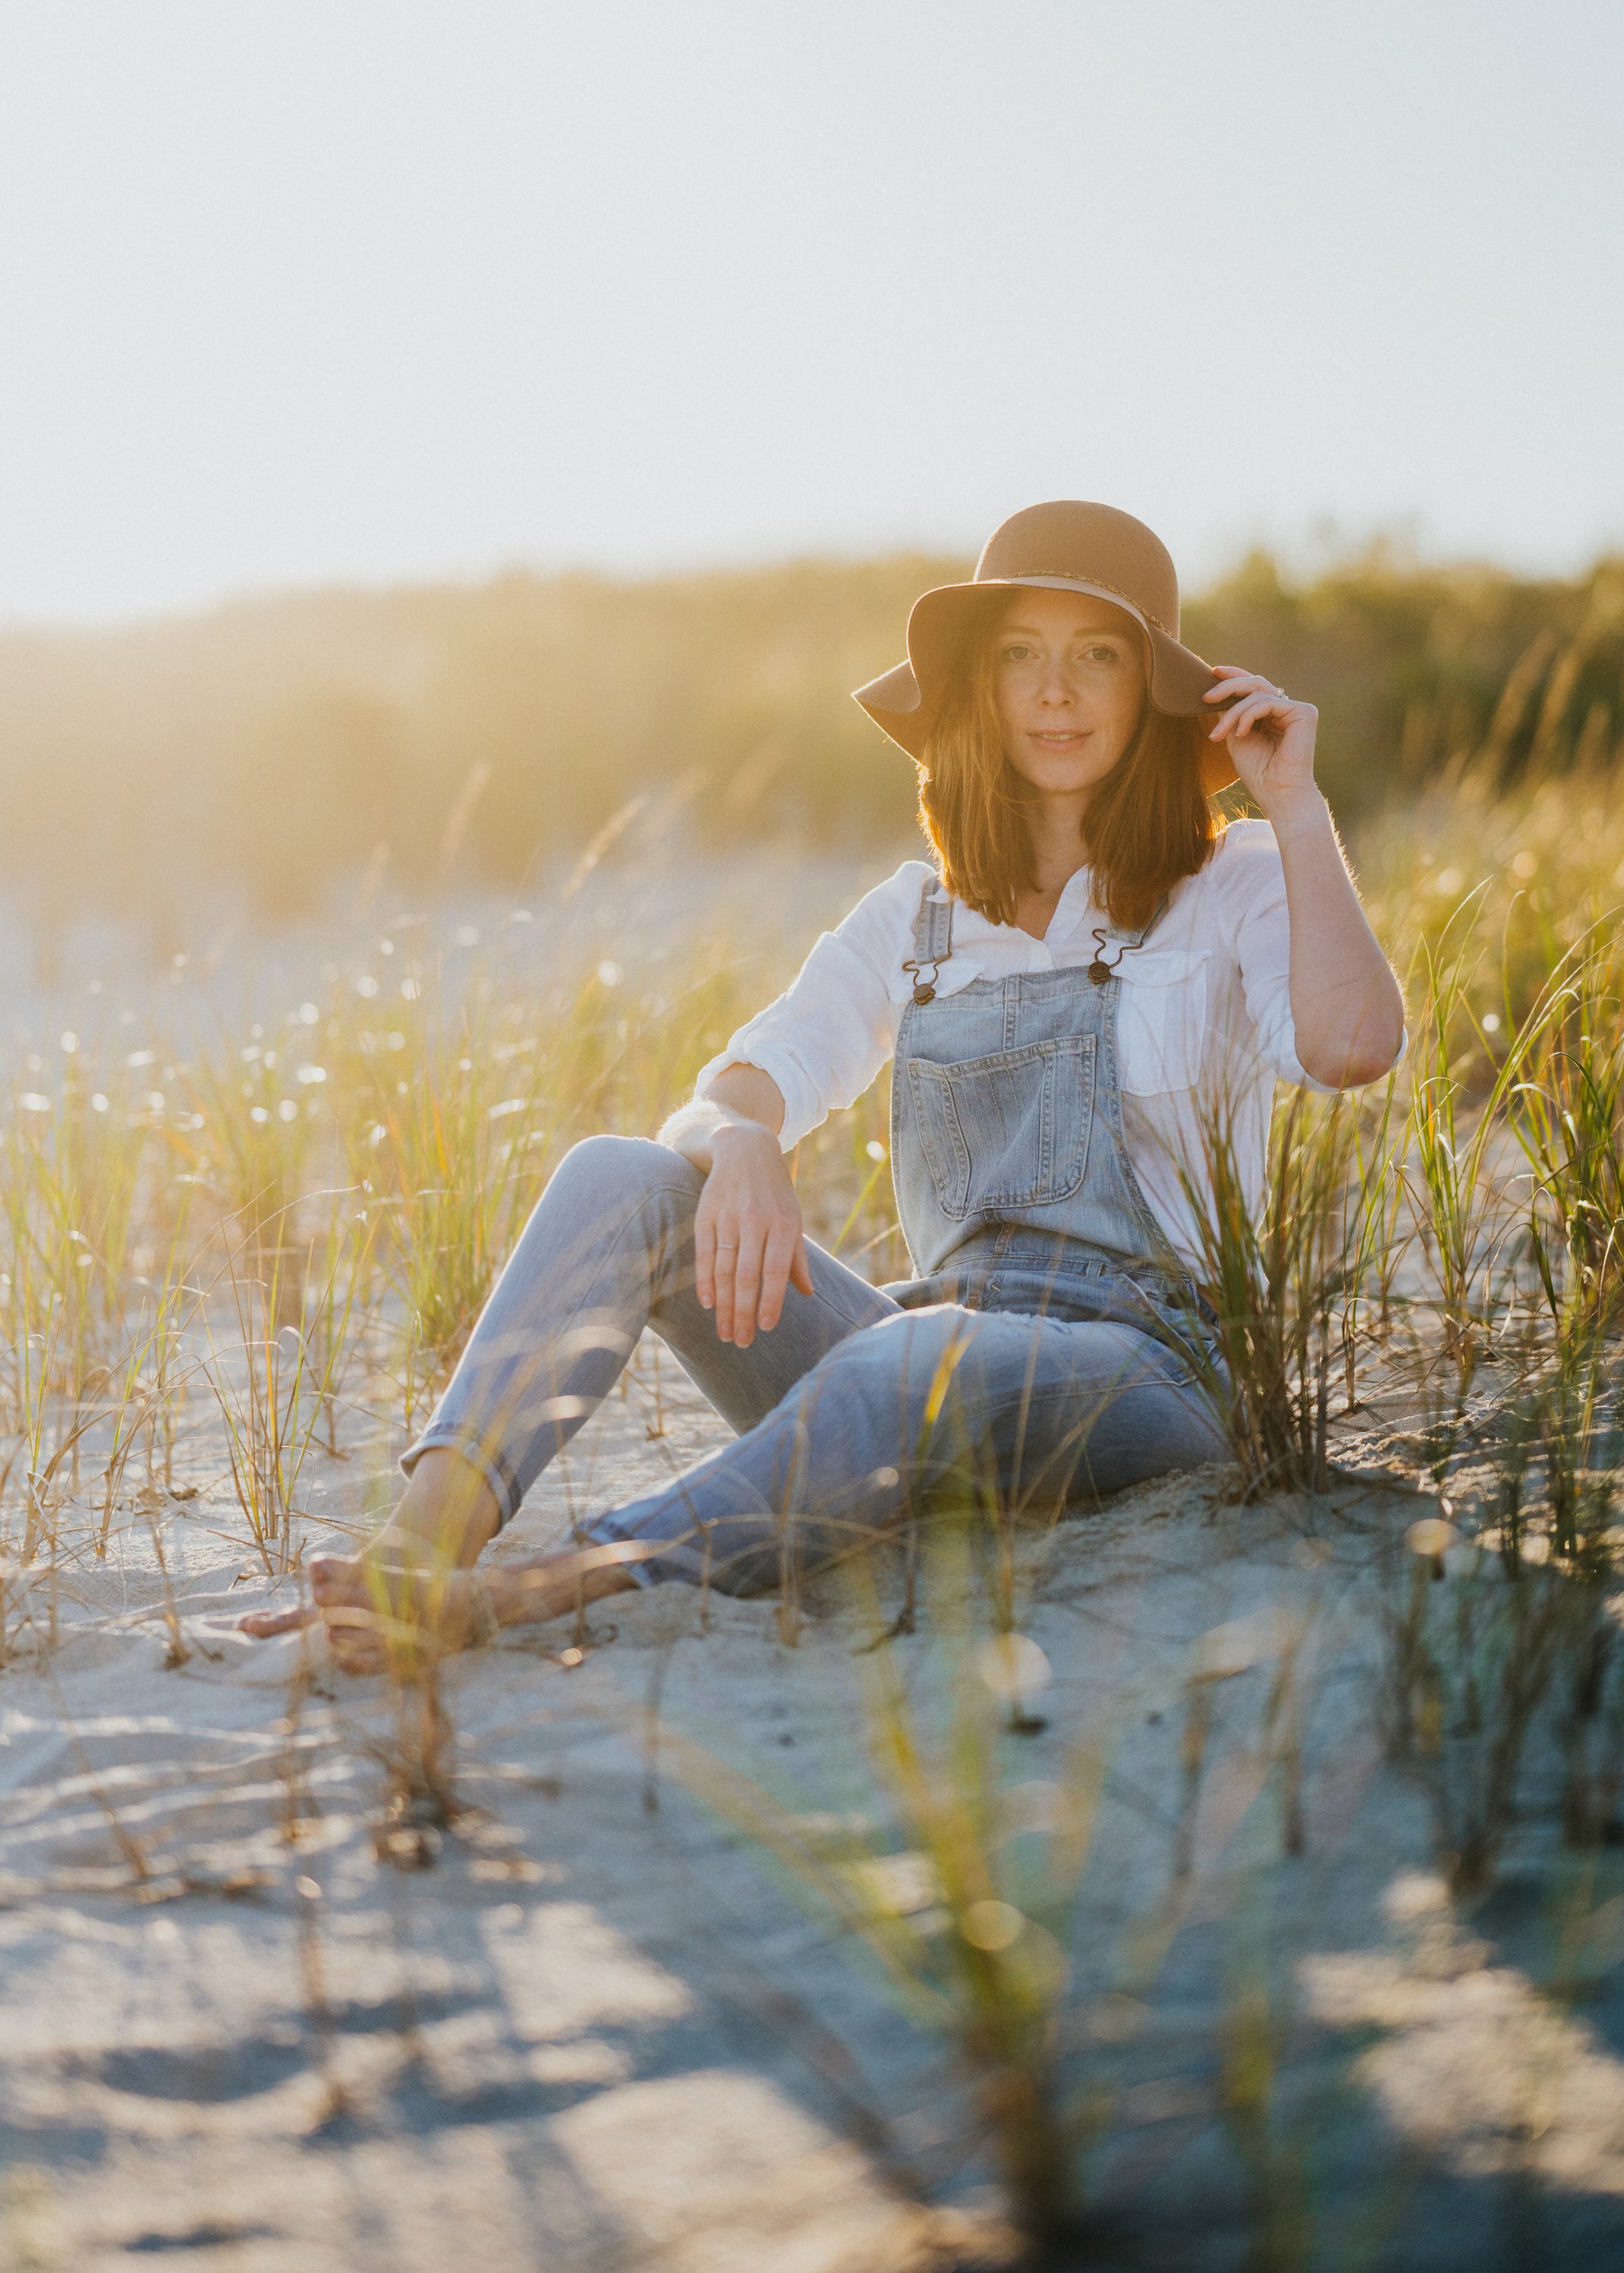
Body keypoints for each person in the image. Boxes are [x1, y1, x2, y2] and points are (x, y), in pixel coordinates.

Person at [244, 502, 1404, 1667]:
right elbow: (732, 1088)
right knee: (628, 1175)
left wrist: (1296, 808)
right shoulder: (913, 918)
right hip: (928, 1358)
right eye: (1020, 655)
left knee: (911, 1356)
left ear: (1149, 685)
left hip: (1158, 1370)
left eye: (1095, 654)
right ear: (981, 691)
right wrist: (738, 1142)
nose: (1055, 690)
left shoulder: (1237, 877)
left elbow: (1353, 1045)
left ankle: (538, 1591)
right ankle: (417, 1549)